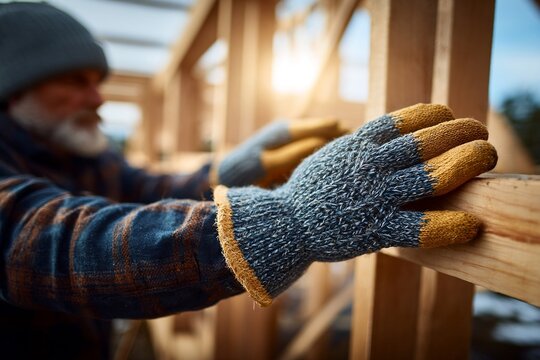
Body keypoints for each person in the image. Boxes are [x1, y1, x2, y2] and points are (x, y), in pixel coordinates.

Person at [0, 2, 497, 359]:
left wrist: (225, 173)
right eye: (73, 80)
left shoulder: (75, 152)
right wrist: (290, 221)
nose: (97, 98)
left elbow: (140, 191)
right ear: (12, 88)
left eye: (98, 81)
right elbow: (51, 244)